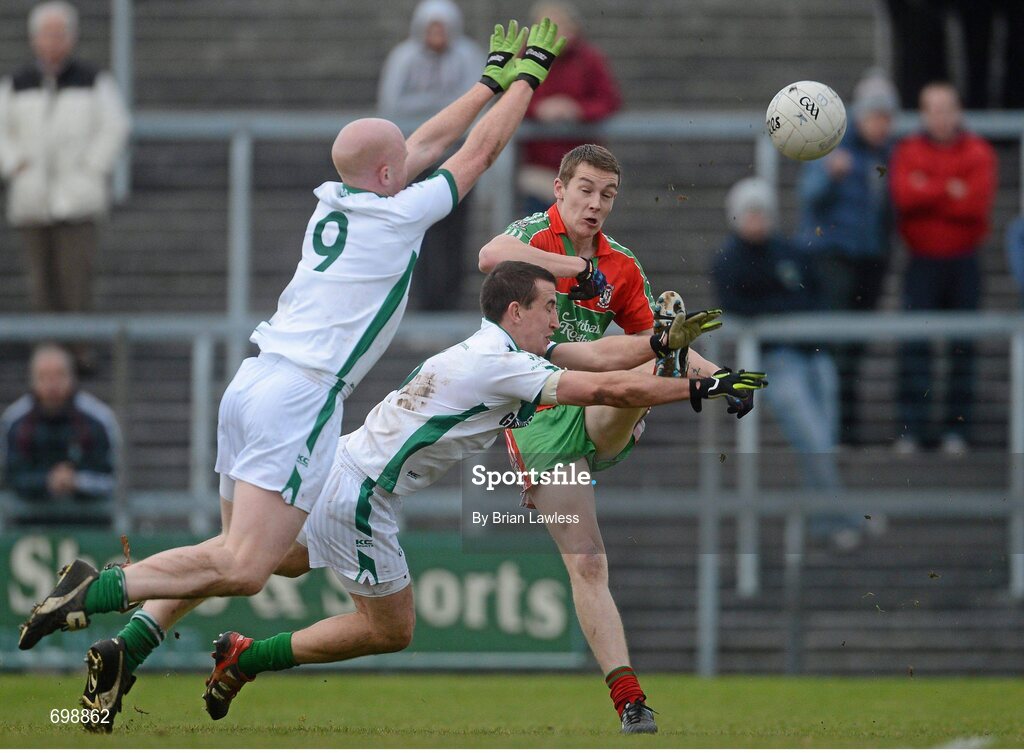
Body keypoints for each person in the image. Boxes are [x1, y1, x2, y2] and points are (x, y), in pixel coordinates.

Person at [18, 17, 571, 732]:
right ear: (386, 175)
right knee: (244, 564)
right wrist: (528, 73)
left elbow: (426, 142)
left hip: (251, 384)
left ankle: (126, 648)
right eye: (398, 158)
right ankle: (96, 590)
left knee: (261, 558)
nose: (413, 155)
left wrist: (485, 81)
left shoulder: (333, 200)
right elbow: (480, 150)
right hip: (301, 396)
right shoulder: (396, 218)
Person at [197, 262, 761, 730]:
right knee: (390, 630)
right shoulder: (504, 365)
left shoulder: (492, 347)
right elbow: (603, 387)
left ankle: (151, 608)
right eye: (548, 310)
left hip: (340, 460)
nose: (555, 320)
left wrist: (659, 344)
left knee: (274, 561)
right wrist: (698, 386)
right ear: (516, 312)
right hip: (362, 494)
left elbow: (599, 359)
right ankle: (245, 657)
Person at [477, 144, 756, 732]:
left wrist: (719, 374)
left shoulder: (622, 264)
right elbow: (489, 255)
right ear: (559, 189)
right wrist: (575, 272)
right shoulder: (534, 237)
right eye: (585, 190)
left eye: (607, 194)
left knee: (644, 361)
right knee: (591, 563)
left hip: (597, 394)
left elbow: (653, 338)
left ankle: (678, 380)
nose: (595, 203)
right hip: (538, 414)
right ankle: (630, 699)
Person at [713, 178, 859, 547]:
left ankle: (826, 519)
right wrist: (781, 307)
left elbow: (817, 296)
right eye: (750, 212)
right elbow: (738, 307)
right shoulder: (729, 259)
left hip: (813, 357)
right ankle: (840, 518)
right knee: (813, 438)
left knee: (823, 440)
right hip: (777, 363)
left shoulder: (791, 251)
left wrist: (777, 308)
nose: (757, 219)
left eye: (762, 211)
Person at [0, 2, 129, 343]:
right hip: (33, 199)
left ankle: (77, 353)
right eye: (47, 34)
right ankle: (47, 355)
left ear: (71, 38)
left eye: (59, 34)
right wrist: (15, 165)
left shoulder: (93, 79)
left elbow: (114, 125)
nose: (53, 41)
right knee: (39, 284)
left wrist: (92, 167)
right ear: (34, 39)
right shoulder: (17, 82)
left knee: (77, 282)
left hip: (77, 199)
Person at [889, 82, 997, 454]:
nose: (940, 116)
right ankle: (912, 429)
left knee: (962, 347)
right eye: (932, 108)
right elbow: (904, 197)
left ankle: (957, 431)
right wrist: (950, 188)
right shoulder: (908, 149)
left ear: (959, 111)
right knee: (914, 346)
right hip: (921, 262)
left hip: (964, 262)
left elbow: (975, 205)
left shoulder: (978, 151)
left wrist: (927, 189)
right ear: (921, 113)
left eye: (947, 107)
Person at [798, 71, 897, 446]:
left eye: (887, 118)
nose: (882, 125)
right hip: (834, 257)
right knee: (836, 342)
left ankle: (847, 425)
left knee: (857, 343)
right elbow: (809, 196)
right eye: (876, 117)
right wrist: (829, 173)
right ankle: (834, 426)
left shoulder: (886, 152)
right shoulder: (833, 145)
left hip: (871, 257)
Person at [378, 0, 483, 311]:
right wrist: (446, 109)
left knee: (454, 233)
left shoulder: (468, 56)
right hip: (413, 161)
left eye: (442, 28)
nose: (437, 35)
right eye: (431, 28)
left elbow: (476, 101)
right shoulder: (404, 58)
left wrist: (434, 110)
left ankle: (449, 301)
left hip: (457, 159)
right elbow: (392, 105)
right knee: (416, 230)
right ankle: (419, 301)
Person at [517, 1, 620, 215]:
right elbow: (509, 101)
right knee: (539, 234)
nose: (553, 33)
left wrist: (577, 110)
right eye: (545, 27)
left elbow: (609, 101)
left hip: (584, 168)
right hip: (538, 169)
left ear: (573, 28)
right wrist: (539, 109)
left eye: (559, 26)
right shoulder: (526, 58)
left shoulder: (589, 59)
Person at [0, 343, 120, 526]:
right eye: (44, 376)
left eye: (59, 375)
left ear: (72, 377)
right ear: (32, 379)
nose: (52, 384)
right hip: (27, 528)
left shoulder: (98, 419)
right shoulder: (15, 421)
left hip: (90, 526)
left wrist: (77, 481)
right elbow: (10, 477)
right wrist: (46, 481)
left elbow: (113, 479)